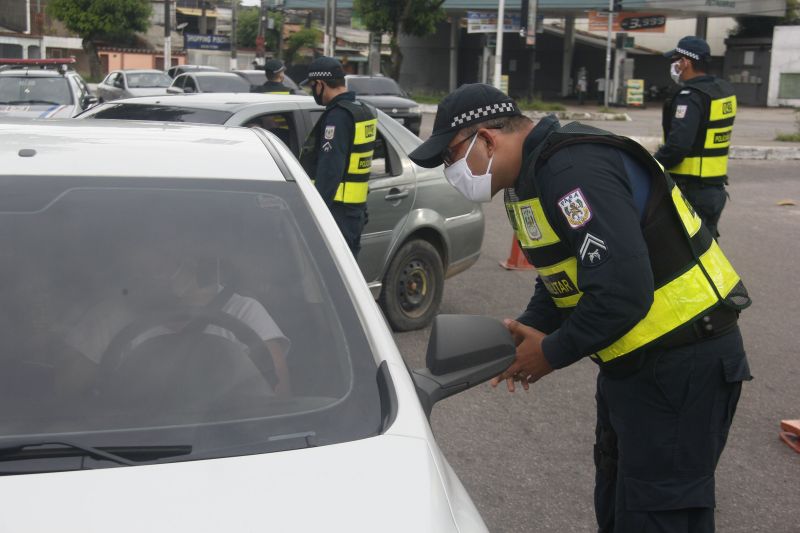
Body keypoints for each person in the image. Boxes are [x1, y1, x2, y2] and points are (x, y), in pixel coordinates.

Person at [408, 83, 752, 533]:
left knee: (660, 515)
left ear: (487, 139)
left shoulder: (573, 169)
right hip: (631, 364)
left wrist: (550, 352)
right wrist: (527, 327)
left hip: (684, 363)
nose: (452, 172)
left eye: (452, 158)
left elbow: (622, 291)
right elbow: (564, 273)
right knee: (618, 504)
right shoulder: (529, 180)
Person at [65, 247, 291, 395]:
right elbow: (68, 393)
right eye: (147, 261)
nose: (156, 269)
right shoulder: (111, 315)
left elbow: (278, 400)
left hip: (229, 444)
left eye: (168, 259)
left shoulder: (243, 311)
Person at [655, 36, 736, 238]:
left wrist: (653, 164)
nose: (674, 65)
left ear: (686, 62)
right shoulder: (723, 91)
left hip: (691, 190)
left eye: (676, 60)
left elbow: (678, 147)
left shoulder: (690, 97)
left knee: (683, 254)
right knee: (707, 252)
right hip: (715, 188)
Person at [299, 56, 376, 257]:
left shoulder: (338, 117)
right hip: (355, 212)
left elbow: (330, 170)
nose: (312, 92)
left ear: (321, 84)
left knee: (330, 280)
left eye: (312, 87)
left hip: (336, 213)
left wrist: (316, 211)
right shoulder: (363, 110)